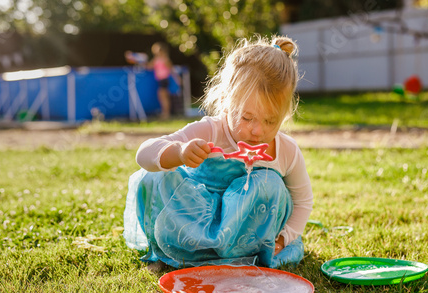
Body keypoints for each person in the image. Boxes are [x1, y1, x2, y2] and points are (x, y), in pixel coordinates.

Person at [123, 35, 313, 270]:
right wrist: (179, 152)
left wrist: (284, 238)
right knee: (154, 175)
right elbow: (144, 154)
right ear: (225, 101)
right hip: (197, 223)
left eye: (271, 120)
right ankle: (188, 253)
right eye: (247, 117)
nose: (258, 130)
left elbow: (303, 201)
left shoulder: (285, 150)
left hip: (248, 237)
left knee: (269, 183)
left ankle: (240, 255)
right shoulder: (210, 130)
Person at [147, 42, 176, 120]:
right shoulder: (156, 59)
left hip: (164, 80)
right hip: (160, 80)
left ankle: (166, 113)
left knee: (164, 97)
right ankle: (165, 112)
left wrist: (177, 79)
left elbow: (171, 69)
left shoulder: (165, 59)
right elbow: (149, 67)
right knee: (162, 96)